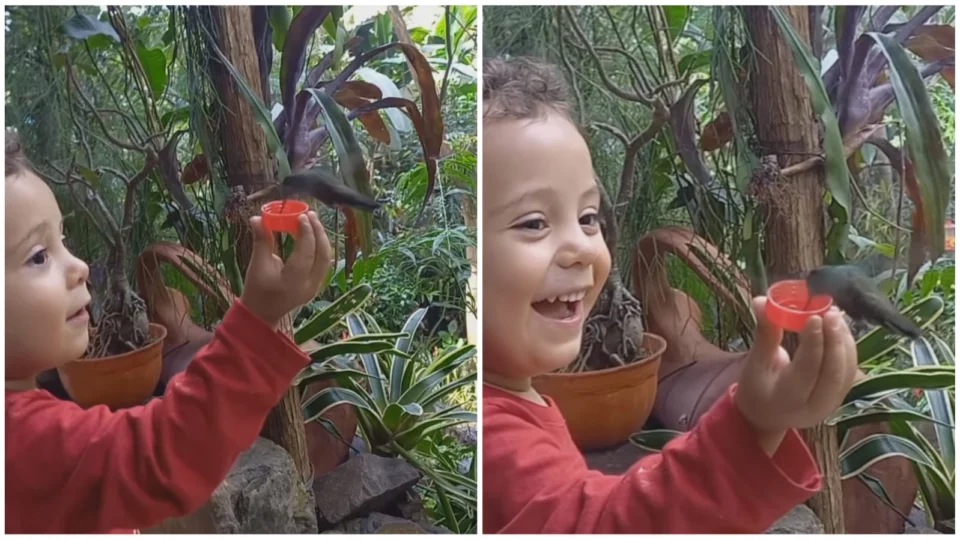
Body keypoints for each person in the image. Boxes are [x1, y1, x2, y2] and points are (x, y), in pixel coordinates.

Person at [481, 57, 860, 534]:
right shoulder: (493, 438)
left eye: (588, 217)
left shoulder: (511, 396)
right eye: (534, 222)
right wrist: (750, 425)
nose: (580, 247)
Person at [5, 132, 332, 534]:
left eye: (63, 240)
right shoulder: (23, 442)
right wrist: (257, 321)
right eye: (39, 256)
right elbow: (165, 452)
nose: (79, 266)